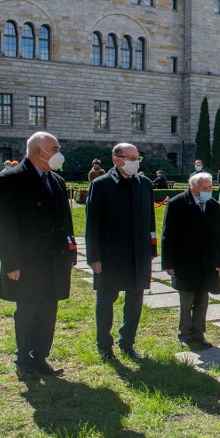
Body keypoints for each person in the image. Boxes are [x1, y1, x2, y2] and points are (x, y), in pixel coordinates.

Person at [0, 132, 76, 380]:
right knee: (27, 312)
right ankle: (24, 360)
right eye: (55, 148)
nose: (59, 152)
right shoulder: (10, 179)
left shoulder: (57, 181)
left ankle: (40, 357)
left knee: (48, 310)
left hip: (54, 259)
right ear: (38, 151)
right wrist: (11, 263)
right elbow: (4, 226)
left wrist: (70, 252)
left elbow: (65, 221)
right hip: (27, 262)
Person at [85, 143, 157, 361]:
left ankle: (127, 342)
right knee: (106, 300)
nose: (135, 162)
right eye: (131, 158)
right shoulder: (101, 185)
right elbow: (92, 224)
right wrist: (94, 257)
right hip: (111, 255)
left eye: (137, 158)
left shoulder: (144, 183)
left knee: (135, 300)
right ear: (117, 159)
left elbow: (151, 220)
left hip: (139, 253)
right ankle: (104, 346)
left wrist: (152, 249)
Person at [161, 172, 220, 348]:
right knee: (187, 299)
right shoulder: (177, 203)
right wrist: (168, 263)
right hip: (185, 262)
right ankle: (185, 333)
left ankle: (199, 333)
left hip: (207, 262)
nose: (208, 191)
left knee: (202, 300)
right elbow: (168, 235)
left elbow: (217, 236)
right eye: (205, 188)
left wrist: (218, 261)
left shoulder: (213, 205)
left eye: (210, 187)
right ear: (193, 188)